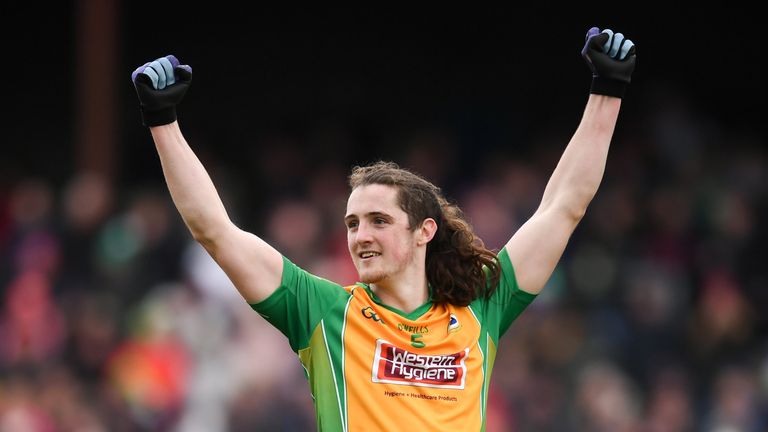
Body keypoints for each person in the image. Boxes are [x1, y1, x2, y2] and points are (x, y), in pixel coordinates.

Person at [130, 26, 636, 431]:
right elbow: (214, 230)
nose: (360, 236)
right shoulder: (322, 311)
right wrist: (163, 122)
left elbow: (563, 207)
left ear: (424, 231)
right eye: (352, 223)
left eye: (378, 221)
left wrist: (607, 91)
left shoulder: (482, 304)